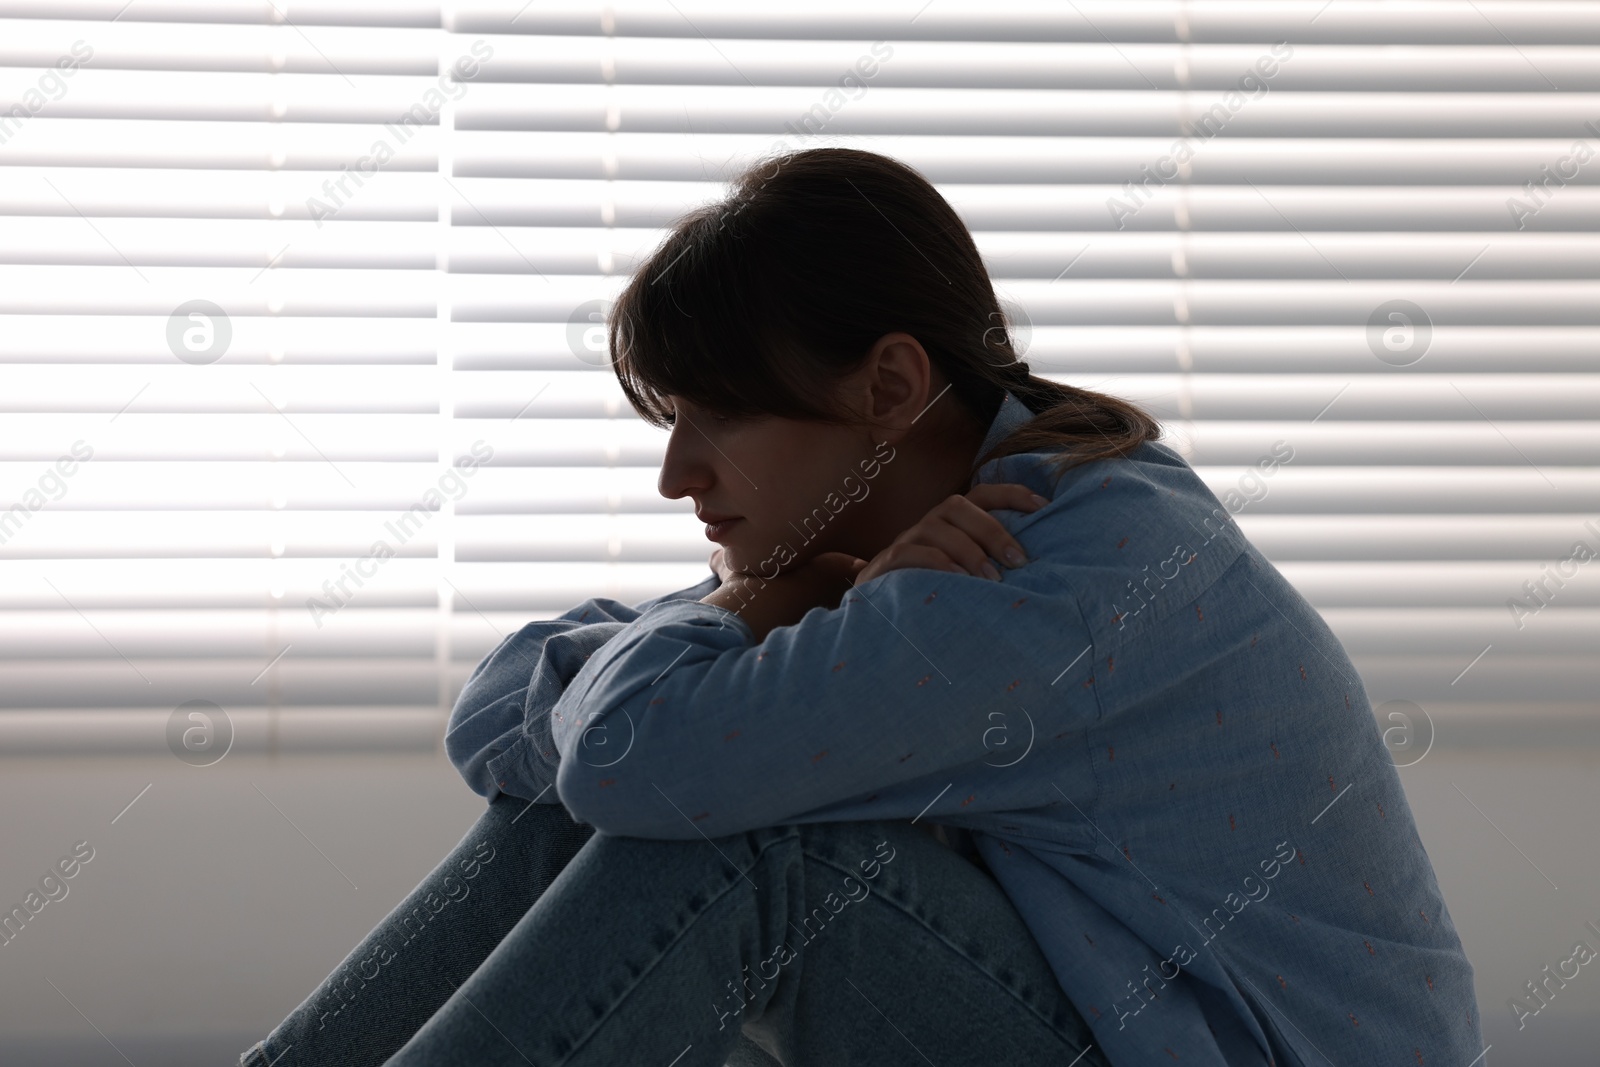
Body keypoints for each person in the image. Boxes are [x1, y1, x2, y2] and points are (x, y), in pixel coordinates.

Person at [241, 148, 1480, 1067]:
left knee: (754, 830)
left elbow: (625, 753)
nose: (677, 474)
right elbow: (499, 711)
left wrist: (746, 610)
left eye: (713, 414)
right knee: (644, 790)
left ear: (889, 383)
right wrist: (758, 608)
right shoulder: (893, 538)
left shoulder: (1042, 565)